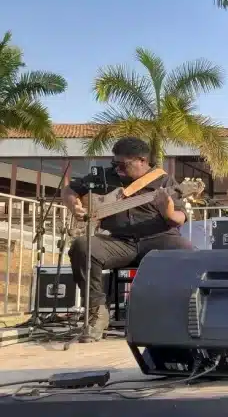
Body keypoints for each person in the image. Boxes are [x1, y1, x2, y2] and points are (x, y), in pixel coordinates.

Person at [62, 137, 194, 342]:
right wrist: (74, 205)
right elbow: (70, 189)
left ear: (142, 161)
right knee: (83, 246)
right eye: (115, 163)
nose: (118, 168)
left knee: (187, 252)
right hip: (119, 241)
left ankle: (184, 313)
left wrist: (167, 211)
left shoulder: (165, 182)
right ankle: (97, 313)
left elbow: (179, 218)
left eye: (123, 165)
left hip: (158, 239)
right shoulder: (105, 176)